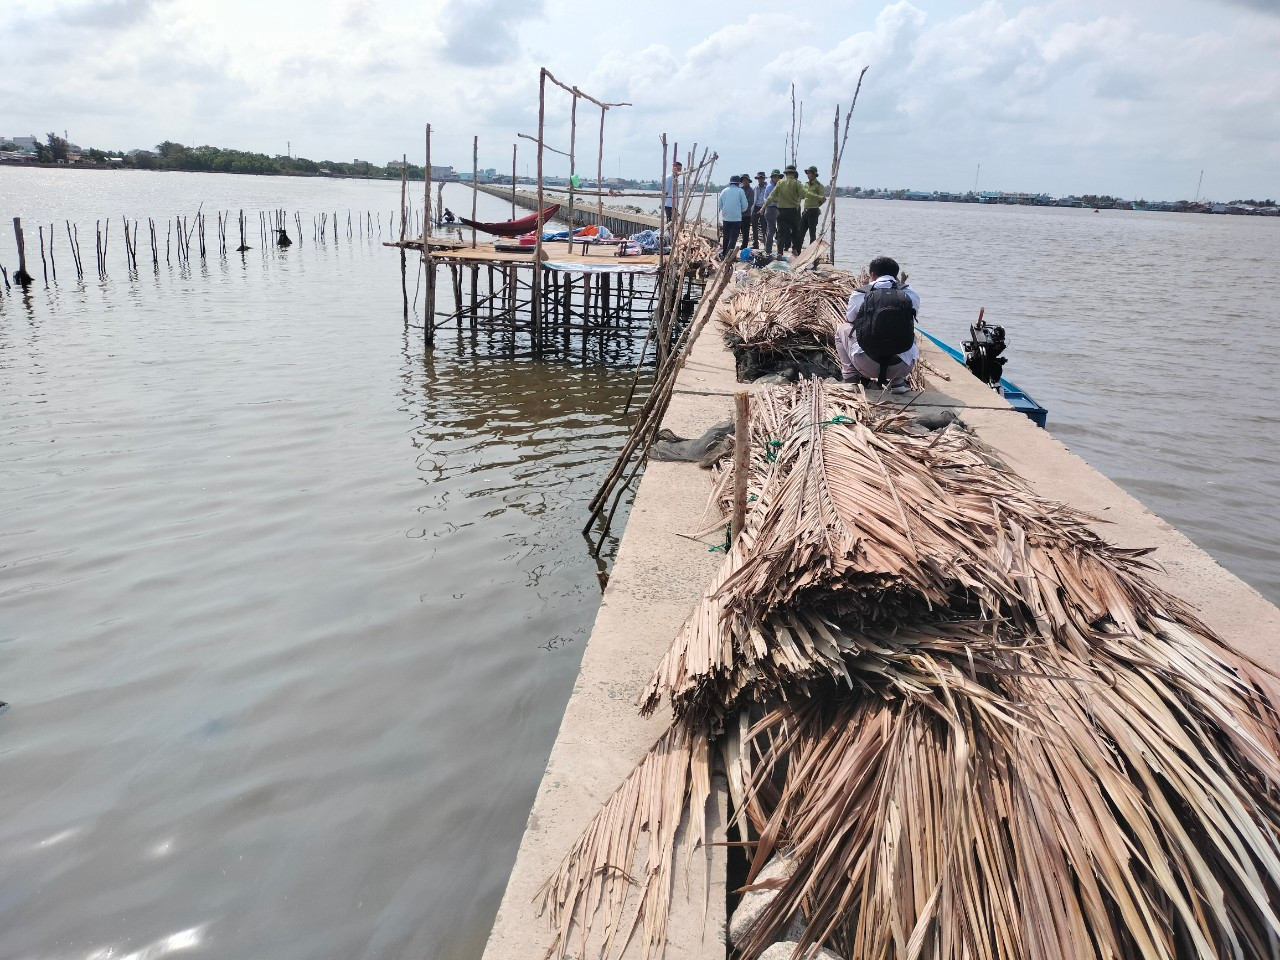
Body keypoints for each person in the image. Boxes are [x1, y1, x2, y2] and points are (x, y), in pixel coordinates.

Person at [836, 256, 919, 395]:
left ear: (873, 275)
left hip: (866, 366)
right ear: (896, 276)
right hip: (901, 367)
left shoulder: (860, 293)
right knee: (910, 332)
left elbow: (850, 320)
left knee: (842, 329)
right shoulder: (910, 293)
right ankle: (898, 382)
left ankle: (851, 379)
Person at [770, 164, 807, 255]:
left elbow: (771, 196)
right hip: (793, 210)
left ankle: (780, 251)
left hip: (782, 210)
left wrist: (764, 207)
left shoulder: (780, 183)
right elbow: (804, 195)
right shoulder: (797, 184)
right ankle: (794, 249)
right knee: (795, 230)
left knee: (781, 232)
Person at [716, 176, 749, 259]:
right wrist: (739, 210)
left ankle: (724, 253)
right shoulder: (740, 191)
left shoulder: (724, 191)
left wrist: (725, 209)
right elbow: (745, 206)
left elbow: (719, 204)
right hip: (736, 218)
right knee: (733, 238)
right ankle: (730, 255)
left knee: (726, 237)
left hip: (726, 217)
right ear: (738, 183)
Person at [801, 165, 825, 246]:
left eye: (810, 173)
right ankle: (797, 249)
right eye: (807, 173)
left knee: (812, 232)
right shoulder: (806, 184)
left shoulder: (819, 185)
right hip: (805, 210)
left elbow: (822, 199)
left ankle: (811, 249)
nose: (808, 175)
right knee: (801, 231)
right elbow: (803, 196)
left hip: (813, 211)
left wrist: (816, 206)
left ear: (814, 174)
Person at [762, 169, 782, 255]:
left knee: (780, 229)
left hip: (780, 208)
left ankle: (779, 249)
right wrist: (773, 200)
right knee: (771, 230)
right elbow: (765, 199)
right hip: (770, 208)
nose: (776, 178)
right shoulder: (769, 187)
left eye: (777, 177)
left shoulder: (781, 186)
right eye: (774, 177)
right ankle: (768, 249)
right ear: (772, 178)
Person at [751, 171, 772, 248]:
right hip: (756, 207)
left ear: (764, 179)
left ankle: (766, 244)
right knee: (754, 226)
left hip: (764, 207)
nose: (760, 180)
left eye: (761, 178)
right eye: (759, 178)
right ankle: (755, 243)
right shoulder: (755, 188)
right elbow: (753, 199)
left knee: (764, 227)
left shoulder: (768, 187)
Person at [738, 174, 754, 251]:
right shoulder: (740, 190)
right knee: (740, 230)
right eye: (743, 180)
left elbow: (750, 203)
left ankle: (744, 245)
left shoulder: (751, 191)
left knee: (745, 231)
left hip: (746, 214)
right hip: (739, 214)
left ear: (748, 181)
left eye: (746, 180)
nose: (744, 182)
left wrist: (743, 209)